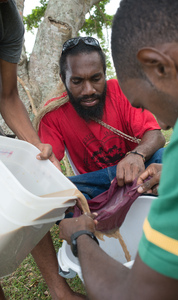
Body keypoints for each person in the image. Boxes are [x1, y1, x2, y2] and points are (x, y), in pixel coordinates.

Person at [58, 0, 178, 299]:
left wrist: (81, 237)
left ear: (159, 65)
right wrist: (175, 170)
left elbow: (138, 294)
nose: (161, 121)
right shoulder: (53, 115)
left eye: (143, 103)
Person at [0, 1, 83, 300]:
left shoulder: (7, 18)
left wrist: (34, 146)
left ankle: (60, 290)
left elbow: (7, 95)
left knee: (25, 185)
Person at [36, 36, 165, 200]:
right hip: (98, 189)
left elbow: (156, 136)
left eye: (96, 79)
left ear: (104, 74)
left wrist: (137, 155)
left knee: (164, 157)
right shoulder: (52, 114)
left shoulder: (120, 90)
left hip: (137, 176)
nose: (88, 90)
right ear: (63, 79)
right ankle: (86, 219)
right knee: (62, 193)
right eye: (77, 81)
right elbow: (47, 168)